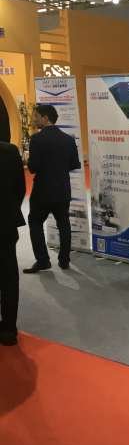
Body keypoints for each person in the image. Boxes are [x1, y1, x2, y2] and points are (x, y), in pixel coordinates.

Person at [24, 104, 81, 273]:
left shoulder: (36, 139)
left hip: (42, 191)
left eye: (36, 116)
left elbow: (32, 168)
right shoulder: (68, 139)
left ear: (45, 118)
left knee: (35, 222)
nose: (34, 120)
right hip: (63, 189)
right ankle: (64, 261)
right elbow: (74, 164)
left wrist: (28, 161)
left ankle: (43, 260)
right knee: (64, 224)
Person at [0, 138, 26, 345]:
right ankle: (9, 329)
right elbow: (20, 189)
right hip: (5, 223)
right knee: (9, 277)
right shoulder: (10, 152)